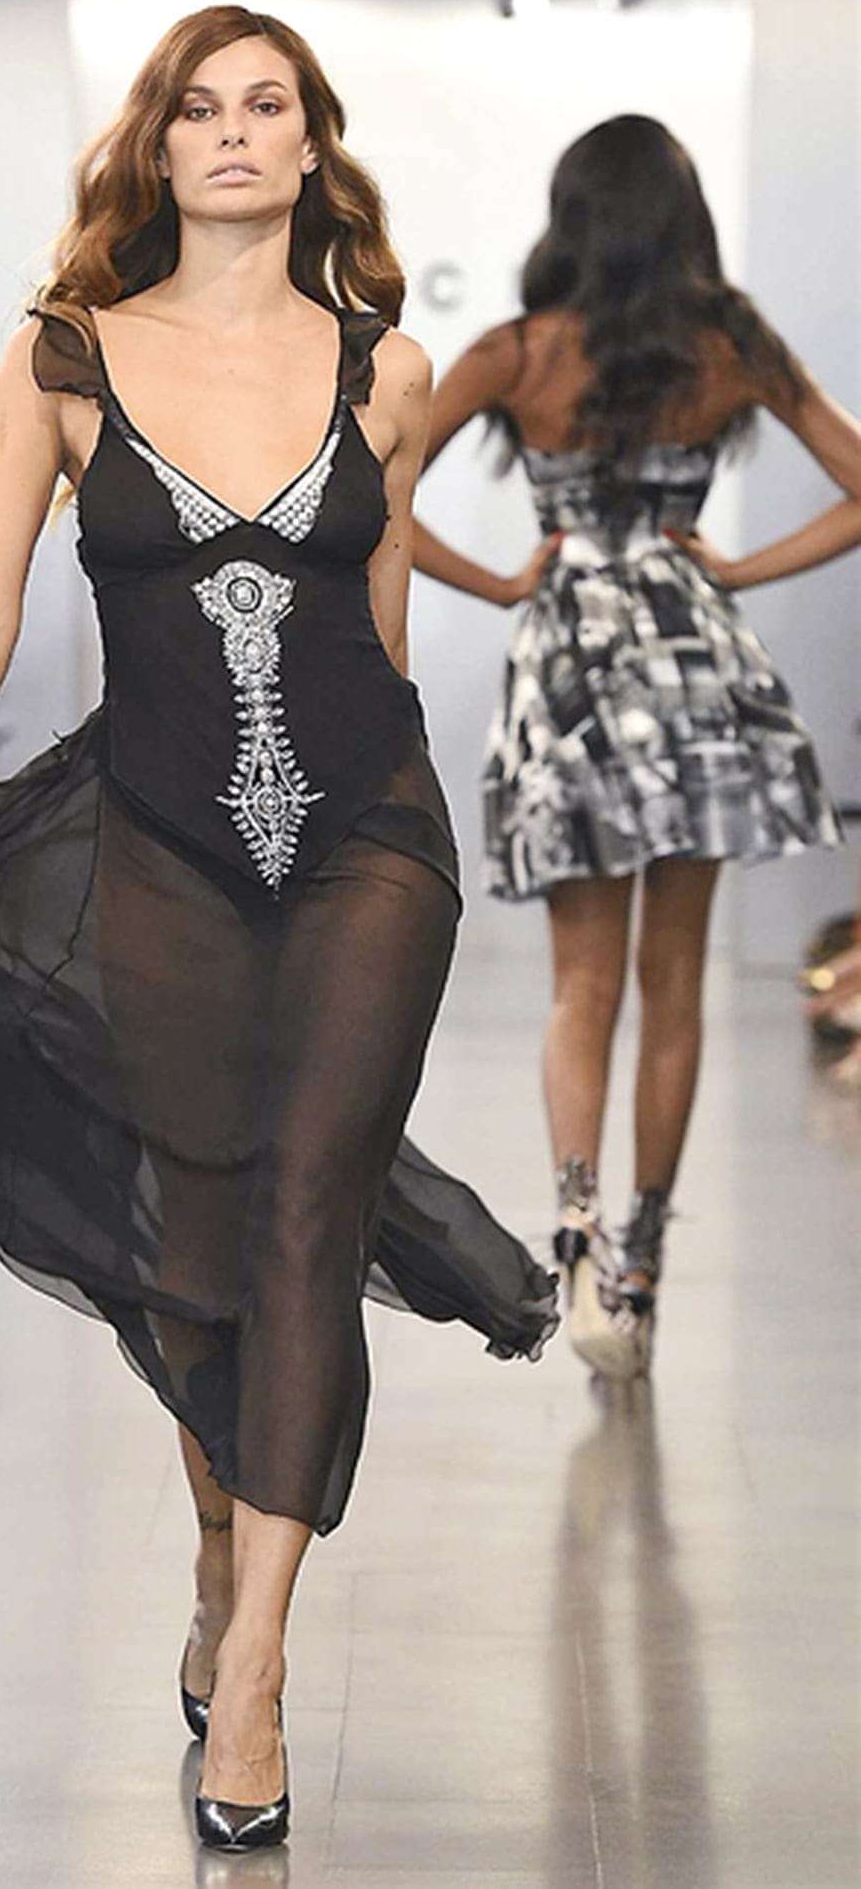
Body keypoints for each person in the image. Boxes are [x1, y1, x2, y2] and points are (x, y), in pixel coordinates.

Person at [0, 4, 556, 1855]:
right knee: (198, 1241)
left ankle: (254, 1661)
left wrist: (413, 819)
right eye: (199, 107)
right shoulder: (66, 354)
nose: (233, 132)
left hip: (368, 840)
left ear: (312, 145)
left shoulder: (388, 368)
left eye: (267, 106)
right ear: (156, 146)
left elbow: (383, 625)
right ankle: (216, 1535)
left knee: (311, 1209)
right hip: (160, 840)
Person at [414, 116, 858, 1380]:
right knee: (673, 985)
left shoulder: (514, 353)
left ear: (569, 216)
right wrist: (737, 569)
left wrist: (501, 584)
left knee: (581, 985)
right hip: (695, 668)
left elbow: (371, 491)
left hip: (569, 674)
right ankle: (644, 1262)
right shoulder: (729, 346)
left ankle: (574, 1228)